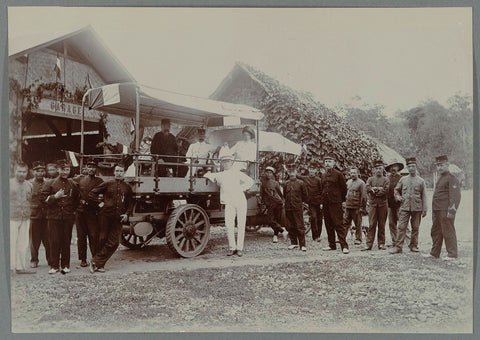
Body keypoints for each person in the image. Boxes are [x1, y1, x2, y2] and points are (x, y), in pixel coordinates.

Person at [204, 154, 254, 257]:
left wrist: (241, 188)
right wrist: (208, 174)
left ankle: (239, 248)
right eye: (224, 162)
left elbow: (250, 181)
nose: (226, 163)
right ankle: (232, 248)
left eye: (228, 161)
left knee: (241, 224)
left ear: (232, 163)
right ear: (222, 163)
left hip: (240, 200)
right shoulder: (220, 174)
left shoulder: (237, 173)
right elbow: (208, 175)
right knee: (228, 225)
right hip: (229, 202)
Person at [88, 163, 133, 273]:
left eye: (121, 171)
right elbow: (92, 194)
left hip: (118, 217)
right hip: (105, 216)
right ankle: (100, 265)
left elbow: (130, 202)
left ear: (124, 173)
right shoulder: (107, 184)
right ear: (114, 172)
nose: (118, 173)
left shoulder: (126, 187)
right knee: (102, 238)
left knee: (114, 242)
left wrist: (126, 213)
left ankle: (95, 261)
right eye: (117, 171)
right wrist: (100, 204)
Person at [41, 160, 80, 274]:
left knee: (66, 241)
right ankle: (54, 266)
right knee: (54, 241)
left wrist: (71, 211)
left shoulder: (72, 184)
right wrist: (55, 197)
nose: (65, 172)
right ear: (58, 170)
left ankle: (65, 265)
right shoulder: (50, 183)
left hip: (67, 217)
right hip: (53, 217)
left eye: (67, 169)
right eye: (62, 169)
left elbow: (76, 200)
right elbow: (43, 200)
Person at [426, 155, 461, 260]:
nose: (439, 168)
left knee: (448, 231)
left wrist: (452, 211)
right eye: (438, 166)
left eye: (441, 165)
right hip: (437, 209)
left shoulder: (452, 178)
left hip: (445, 210)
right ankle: (434, 253)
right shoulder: (440, 178)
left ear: (447, 165)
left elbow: (455, 196)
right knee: (436, 231)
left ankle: (452, 254)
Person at [389, 157, 427, 254]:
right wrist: (398, 197)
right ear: (407, 168)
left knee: (415, 227)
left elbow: (424, 196)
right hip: (405, 207)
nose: (411, 168)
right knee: (401, 227)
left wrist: (424, 209)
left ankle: (413, 245)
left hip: (417, 207)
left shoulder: (421, 181)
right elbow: (396, 190)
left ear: (416, 167)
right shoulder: (403, 179)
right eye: (409, 166)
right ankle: (398, 247)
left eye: (413, 166)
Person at [73, 159, 104, 267]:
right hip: (80, 212)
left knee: (93, 235)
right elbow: (72, 191)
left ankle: (95, 257)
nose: (91, 169)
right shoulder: (79, 179)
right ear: (86, 168)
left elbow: (103, 196)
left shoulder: (99, 181)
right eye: (89, 167)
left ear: (96, 169)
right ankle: (83, 259)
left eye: (93, 167)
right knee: (81, 236)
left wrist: (100, 204)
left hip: (92, 213)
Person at [321, 154, 349, 254]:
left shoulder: (338, 174)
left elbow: (344, 189)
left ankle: (344, 246)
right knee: (328, 224)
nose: (327, 163)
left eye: (329, 161)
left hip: (335, 203)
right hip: (326, 203)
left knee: (338, 224)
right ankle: (331, 245)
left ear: (334, 163)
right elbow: (322, 189)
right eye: (326, 162)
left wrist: (339, 201)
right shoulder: (323, 175)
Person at [10, 162, 34, 274]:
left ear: (27, 172)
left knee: (23, 242)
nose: (21, 174)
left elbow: (30, 200)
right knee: (11, 242)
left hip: (25, 217)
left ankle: (20, 267)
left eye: (24, 172)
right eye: (19, 171)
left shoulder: (29, 185)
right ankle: (10, 267)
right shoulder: (8, 184)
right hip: (11, 217)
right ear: (15, 171)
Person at [363, 160, 390, 251]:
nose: (378, 170)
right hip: (373, 205)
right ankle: (369, 244)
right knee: (371, 224)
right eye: (376, 168)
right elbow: (367, 188)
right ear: (374, 170)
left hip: (383, 205)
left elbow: (386, 190)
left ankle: (381, 243)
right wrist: (377, 189)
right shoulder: (370, 179)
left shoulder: (386, 179)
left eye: (380, 168)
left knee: (382, 224)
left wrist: (375, 190)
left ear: (383, 169)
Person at [29, 161, 50, 268]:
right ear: (33, 172)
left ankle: (50, 260)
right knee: (34, 240)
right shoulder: (29, 184)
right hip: (34, 215)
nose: (40, 173)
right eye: (38, 171)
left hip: (46, 216)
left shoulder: (48, 183)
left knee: (48, 239)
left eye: (42, 171)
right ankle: (34, 259)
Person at [283, 165, 308, 251]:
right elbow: (284, 195)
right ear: (288, 173)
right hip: (288, 207)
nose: (292, 174)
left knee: (299, 226)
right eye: (290, 172)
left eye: (293, 172)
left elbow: (305, 195)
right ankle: (294, 243)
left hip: (297, 207)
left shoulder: (301, 183)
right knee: (290, 225)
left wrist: (298, 202)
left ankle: (303, 245)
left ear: (296, 173)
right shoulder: (286, 183)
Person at [260, 166, 286, 243]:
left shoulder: (275, 183)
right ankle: (283, 231)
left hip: (277, 203)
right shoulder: (262, 182)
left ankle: (275, 236)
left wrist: (282, 201)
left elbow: (280, 194)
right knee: (270, 220)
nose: (268, 174)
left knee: (276, 220)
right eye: (267, 172)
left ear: (272, 174)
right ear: (265, 173)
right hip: (270, 204)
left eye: (270, 173)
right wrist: (264, 202)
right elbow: (262, 194)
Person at [297, 168, 323, 242]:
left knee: (319, 219)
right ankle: (315, 236)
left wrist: (321, 203)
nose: (311, 172)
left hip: (319, 202)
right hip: (311, 203)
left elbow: (322, 191)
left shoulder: (318, 180)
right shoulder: (305, 178)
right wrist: (286, 168)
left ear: (316, 171)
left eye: (313, 170)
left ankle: (319, 235)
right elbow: (297, 176)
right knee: (313, 218)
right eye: (310, 170)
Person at [385, 159, 406, 247]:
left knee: (402, 223)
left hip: (399, 204)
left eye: (395, 166)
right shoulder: (387, 179)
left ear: (398, 168)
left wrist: (401, 198)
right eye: (391, 167)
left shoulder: (402, 178)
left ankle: (403, 240)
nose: (393, 169)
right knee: (391, 223)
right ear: (389, 169)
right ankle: (394, 240)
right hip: (390, 204)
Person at [344, 167, 367, 245]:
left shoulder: (361, 183)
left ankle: (358, 239)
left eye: (354, 173)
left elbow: (364, 196)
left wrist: (362, 207)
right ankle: (342, 237)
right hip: (348, 206)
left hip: (356, 207)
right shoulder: (348, 182)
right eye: (351, 173)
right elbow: (346, 193)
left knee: (358, 223)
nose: (352, 174)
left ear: (358, 173)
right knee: (345, 222)